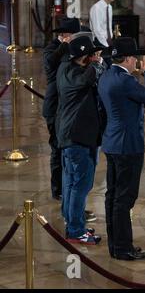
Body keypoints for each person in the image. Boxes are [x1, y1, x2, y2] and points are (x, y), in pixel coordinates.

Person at [98, 37, 145, 260]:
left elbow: (113, 107)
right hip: (128, 146)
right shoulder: (126, 81)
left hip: (112, 141)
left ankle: (115, 245)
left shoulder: (106, 76)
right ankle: (124, 248)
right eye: (136, 56)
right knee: (125, 198)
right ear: (127, 58)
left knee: (112, 195)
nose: (138, 60)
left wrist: (136, 110)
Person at [56, 36, 104, 245]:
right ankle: (75, 230)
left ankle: (71, 221)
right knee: (80, 184)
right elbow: (86, 80)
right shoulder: (76, 75)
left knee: (70, 182)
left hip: (70, 136)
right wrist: (98, 64)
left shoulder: (65, 67)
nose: (96, 57)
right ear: (85, 57)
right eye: (92, 54)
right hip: (77, 138)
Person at [43, 17, 80, 202]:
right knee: (57, 149)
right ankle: (58, 189)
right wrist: (64, 46)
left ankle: (67, 187)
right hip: (54, 107)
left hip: (68, 108)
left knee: (68, 148)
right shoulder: (52, 48)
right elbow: (50, 63)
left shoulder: (73, 48)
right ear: (67, 35)